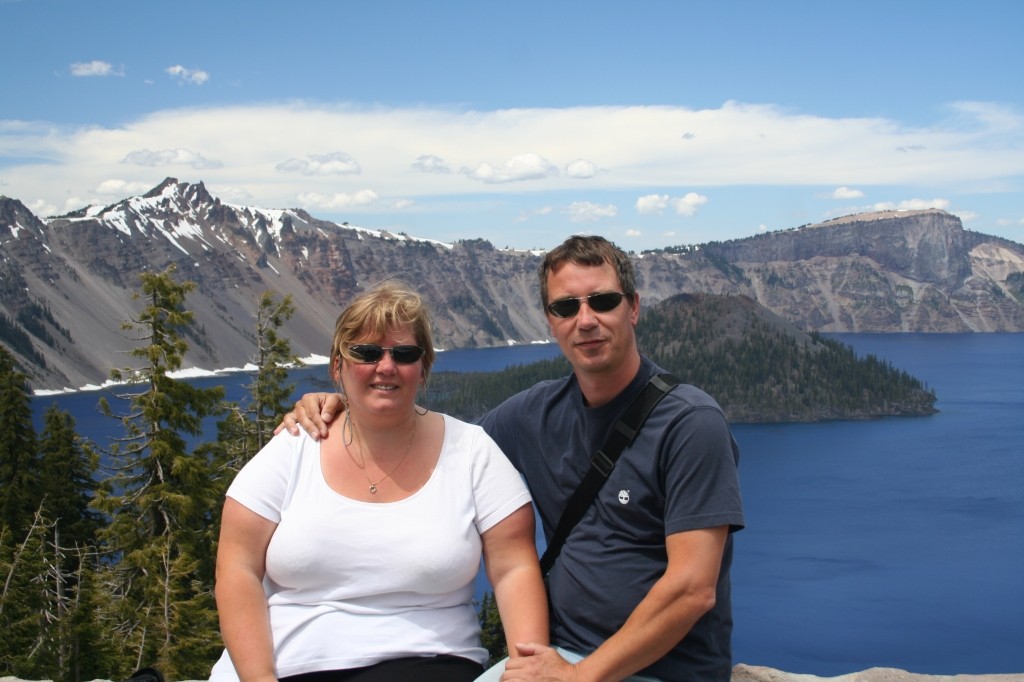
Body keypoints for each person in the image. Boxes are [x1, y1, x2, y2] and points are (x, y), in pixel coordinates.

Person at [279, 236, 745, 682]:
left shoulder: (689, 423)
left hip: (659, 671)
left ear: (634, 307)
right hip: (558, 658)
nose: (585, 320)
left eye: (603, 301)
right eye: (566, 307)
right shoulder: (535, 413)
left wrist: (581, 676)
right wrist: (348, 407)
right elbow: (442, 445)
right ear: (550, 321)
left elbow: (692, 588)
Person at [211, 281, 548, 682]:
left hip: (429, 663)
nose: (386, 366)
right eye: (367, 353)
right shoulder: (295, 446)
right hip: (288, 665)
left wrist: (531, 667)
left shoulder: (473, 452)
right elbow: (237, 567)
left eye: (404, 354)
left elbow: (514, 568)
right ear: (337, 366)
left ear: (423, 367)